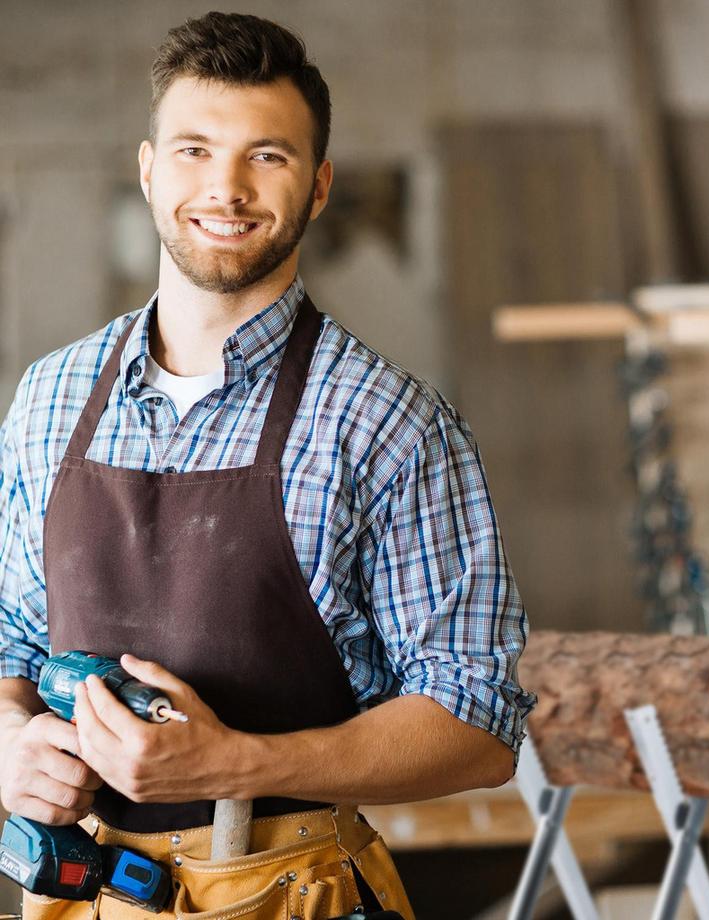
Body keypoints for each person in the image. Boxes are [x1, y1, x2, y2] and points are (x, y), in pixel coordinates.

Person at [0, 11, 536, 919]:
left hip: (293, 894)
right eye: (196, 150)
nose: (227, 187)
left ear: (319, 184)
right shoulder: (51, 398)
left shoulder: (387, 422)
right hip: (86, 894)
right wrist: (10, 741)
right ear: (148, 168)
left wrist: (238, 763)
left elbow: (479, 722)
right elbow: (12, 636)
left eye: (268, 156)